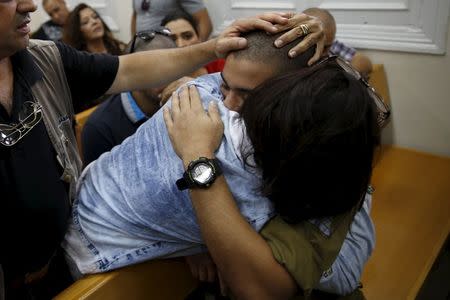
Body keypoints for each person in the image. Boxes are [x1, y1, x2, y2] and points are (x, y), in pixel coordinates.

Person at [0, 0, 321, 297]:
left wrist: (213, 47)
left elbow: (125, 70)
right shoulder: (104, 127)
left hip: (69, 247)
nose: (29, 4)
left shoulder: (44, 56)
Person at [62, 31, 379, 299]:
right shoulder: (203, 101)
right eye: (225, 87)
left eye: (247, 96)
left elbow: (262, 286)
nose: (225, 106)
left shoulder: (320, 148)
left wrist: (197, 157)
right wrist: (195, 234)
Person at [81, 29, 176, 166]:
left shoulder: (185, 99)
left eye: (169, 66)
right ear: (131, 71)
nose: (162, 75)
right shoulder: (99, 128)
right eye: (150, 67)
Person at [62, 3, 127, 113]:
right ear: (79, 31)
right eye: (86, 22)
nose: (94, 22)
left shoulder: (119, 47)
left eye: (95, 17)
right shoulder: (82, 64)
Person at [160, 10, 225, 103]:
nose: (181, 44)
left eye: (187, 36)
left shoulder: (218, 64)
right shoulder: (158, 76)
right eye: (172, 39)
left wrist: (196, 85)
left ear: (199, 38)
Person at [304, 7, 373, 79]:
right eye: (316, 46)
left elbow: (364, 62)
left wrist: (345, 77)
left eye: (326, 47)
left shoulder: (332, 46)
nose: (323, 53)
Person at [131, 0, 212, 41]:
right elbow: (136, 15)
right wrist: (133, 44)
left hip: (170, 53)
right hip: (142, 52)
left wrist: (196, 53)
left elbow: (204, 21)